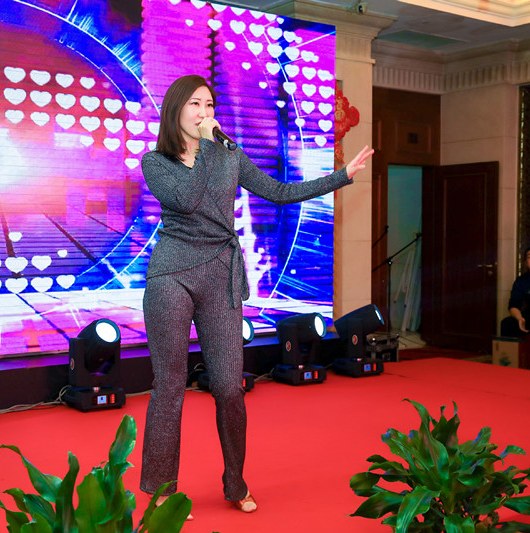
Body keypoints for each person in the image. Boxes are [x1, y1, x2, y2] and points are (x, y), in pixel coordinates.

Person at [138, 74, 374, 516]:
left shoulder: (228, 154)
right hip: (172, 275)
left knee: (230, 386)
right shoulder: (157, 162)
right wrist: (207, 147)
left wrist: (341, 177)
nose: (204, 112)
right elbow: (187, 198)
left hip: (221, 275)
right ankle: (162, 489)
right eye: (195, 104)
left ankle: (235, 483)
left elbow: (278, 192)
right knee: (169, 385)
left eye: (210, 104)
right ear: (175, 110)